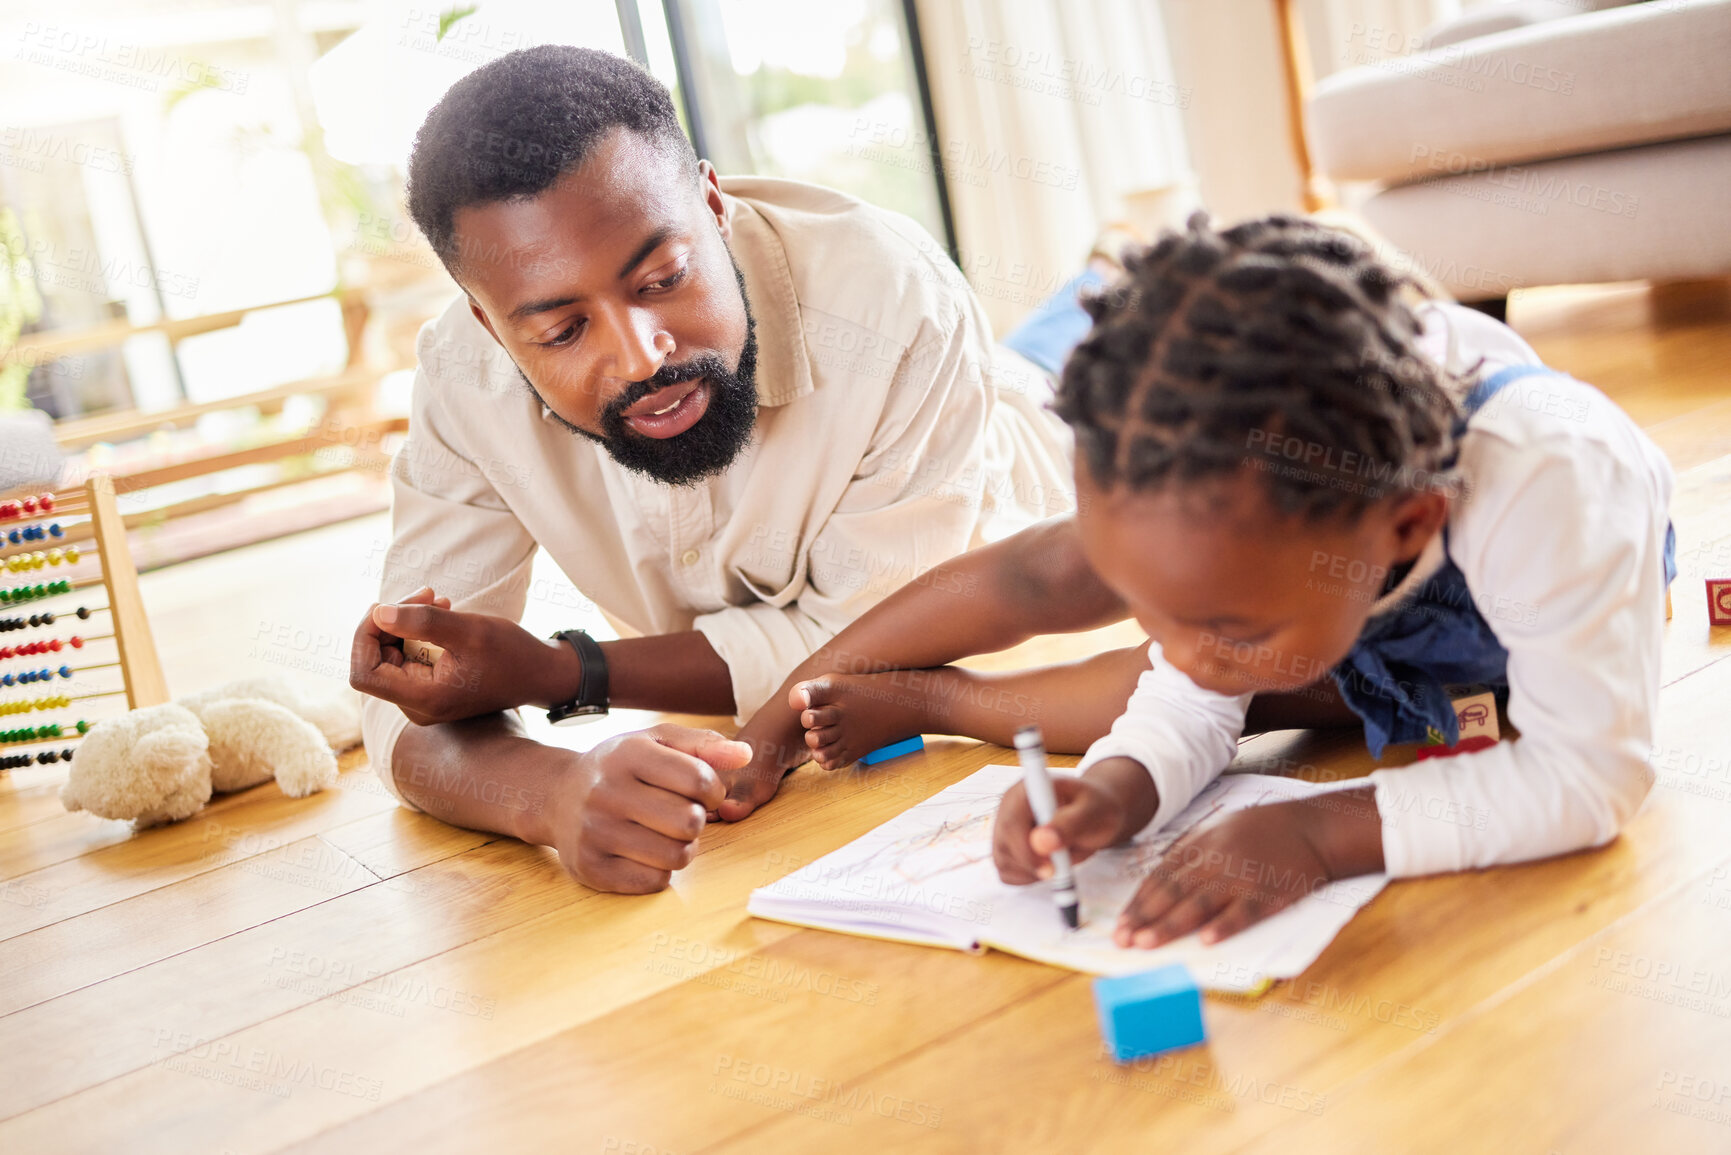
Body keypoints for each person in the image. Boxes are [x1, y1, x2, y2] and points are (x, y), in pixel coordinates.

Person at [763, 213, 1674, 948]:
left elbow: (1590, 775)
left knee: (1298, 679)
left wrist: (1322, 833)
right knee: (1207, 660)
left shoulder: (1552, 480)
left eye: (1229, 626)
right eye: (1154, 614)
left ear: (1405, 524)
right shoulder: (1254, 554)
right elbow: (1190, 692)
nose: (1181, 656)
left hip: (1526, 615)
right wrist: (1120, 785)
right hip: (1350, 605)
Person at [347, 44, 1073, 893]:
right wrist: (549, 792)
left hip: (1053, 443)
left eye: (663, 278)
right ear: (488, 325)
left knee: (1097, 342)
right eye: (560, 333)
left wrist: (567, 671)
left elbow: (862, 649)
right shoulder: (461, 372)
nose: (640, 356)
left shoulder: (890, 299)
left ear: (714, 202)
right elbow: (407, 701)